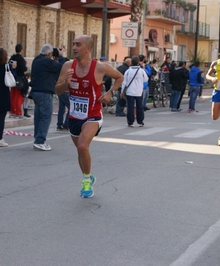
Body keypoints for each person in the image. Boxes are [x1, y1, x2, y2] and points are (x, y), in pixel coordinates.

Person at [55, 35, 124, 198]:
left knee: (82, 146)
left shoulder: (99, 67)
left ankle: (86, 181)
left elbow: (119, 77)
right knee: (81, 152)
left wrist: (110, 93)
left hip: (92, 115)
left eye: (78, 45)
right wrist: (65, 83)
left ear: (88, 48)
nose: (74, 48)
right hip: (74, 116)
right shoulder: (67, 66)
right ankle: (88, 176)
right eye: (73, 44)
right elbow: (57, 90)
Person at [30, 43, 65, 151]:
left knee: (38, 117)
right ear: (49, 54)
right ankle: (40, 141)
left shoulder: (36, 60)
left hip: (35, 93)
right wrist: (60, 56)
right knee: (46, 117)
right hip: (45, 93)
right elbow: (61, 66)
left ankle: (37, 139)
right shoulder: (47, 62)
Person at [122, 56, 149, 127]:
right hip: (139, 91)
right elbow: (146, 79)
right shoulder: (141, 71)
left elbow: (124, 82)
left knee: (130, 107)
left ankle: (130, 122)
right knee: (139, 106)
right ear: (138, 62)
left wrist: (122, 91)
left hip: (129, 92)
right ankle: (140, 121)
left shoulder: (128, 71)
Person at [9, 44, 28, 118]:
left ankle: (12, 111)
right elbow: (24, 68)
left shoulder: (12, 58)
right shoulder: (21, 58)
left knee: (13, 95)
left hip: (12, 78)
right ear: (21, 50)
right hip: (20, 79)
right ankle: (18, 112)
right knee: (19, 96)